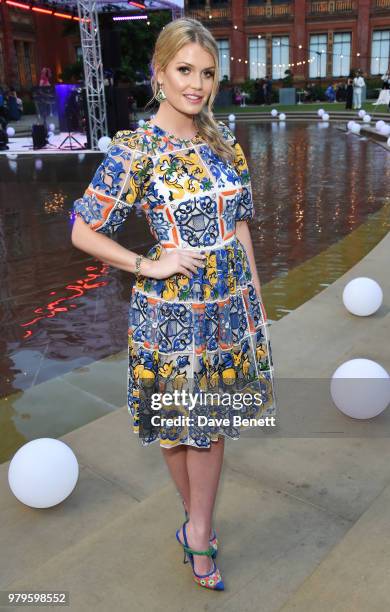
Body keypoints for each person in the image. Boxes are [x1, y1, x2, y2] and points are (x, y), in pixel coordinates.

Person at [71, 17, 277, 592]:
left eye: (207, 73)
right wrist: (149, 262)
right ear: (159, 73)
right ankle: (198, 528)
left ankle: (199, 529)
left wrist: (256, 303)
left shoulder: (222, 142)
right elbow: (84, 230)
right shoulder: (135, 149)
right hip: (170, 312)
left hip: (228, 308)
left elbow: (239, 227)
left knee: (206, 429)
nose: (197, 84)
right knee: (176, 430)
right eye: (185, 70)